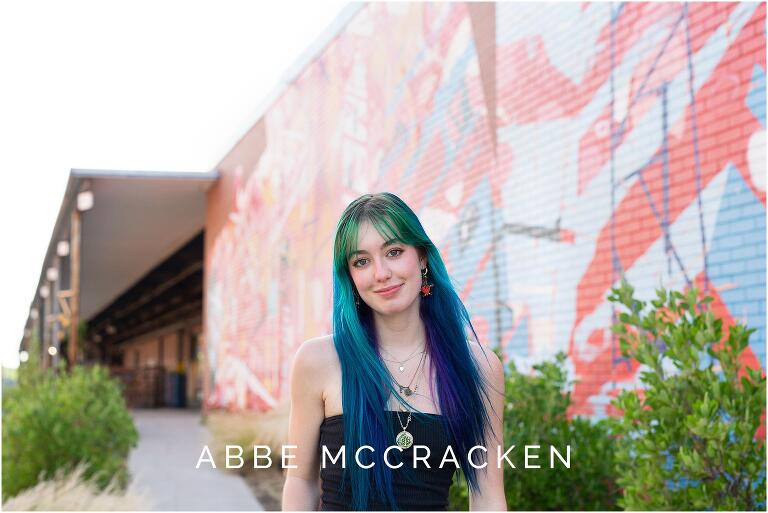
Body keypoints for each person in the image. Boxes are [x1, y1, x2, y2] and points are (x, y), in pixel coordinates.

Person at [282, 192, 506, 511]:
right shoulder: (317, 361)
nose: (381, 273)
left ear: (423, 258)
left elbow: (487, 497)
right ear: (351, 277)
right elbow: (300, 481)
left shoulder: (479, 366)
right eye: (362, 261)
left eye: (394, 251)